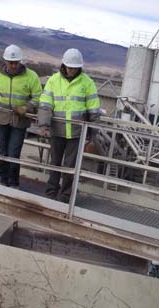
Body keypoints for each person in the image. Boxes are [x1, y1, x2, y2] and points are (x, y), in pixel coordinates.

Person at [38, 48, 101, 202]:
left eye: (75, 68)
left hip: (76, 132)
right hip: (57, 130)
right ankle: (51, 193)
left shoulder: (87, 83)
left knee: (70, 167)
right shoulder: (53, 80)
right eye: (69, 67)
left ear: (79, 67)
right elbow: (46, 105)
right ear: (64, 65)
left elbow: (93, 108)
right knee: (55, 164)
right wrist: (44, 126)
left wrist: (93, 132)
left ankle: (65, 197)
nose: (72, 70)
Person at [0, 44, 42, 187]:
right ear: (5, 61)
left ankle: (13, 181)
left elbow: (38, 97)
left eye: (16, 63)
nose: (14, 66)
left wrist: (26, 107)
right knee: (3, 150)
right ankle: (3, 178)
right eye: (11, 63)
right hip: (2, 117)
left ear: (20, 61)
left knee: (14, 152)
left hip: (20, 120)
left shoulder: (31, 76)